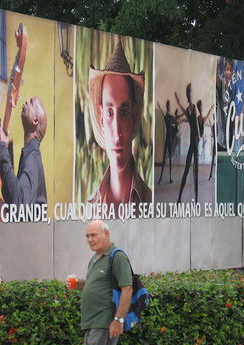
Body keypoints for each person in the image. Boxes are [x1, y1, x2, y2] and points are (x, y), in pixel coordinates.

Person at [88, 36, 151, 206]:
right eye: (109, 113)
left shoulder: (151, 202)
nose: (117, 133)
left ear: (134, 115)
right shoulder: (90, 207)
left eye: (123, 112)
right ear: (100, 116)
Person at [69, 220, 133, 345]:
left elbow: (127, 289)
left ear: (106, 233)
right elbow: (98, 285)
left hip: (103, 323)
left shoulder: (117, 257)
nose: (89, 239)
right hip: (91, 323)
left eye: (93, 235)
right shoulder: (95, 258)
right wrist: (79, 284)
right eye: (87, 236)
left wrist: (118, 320)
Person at [0, 96, 48, 204]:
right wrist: (1, 147)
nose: (26, 101)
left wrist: (3, 148)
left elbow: (18, 200)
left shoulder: (32, 157)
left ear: (35, 120)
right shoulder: (31, 154)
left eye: (31, 103)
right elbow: (16, 198)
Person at [174, 84, 202, 203]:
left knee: (195, 170)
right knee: (187, 170)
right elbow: (191, 119)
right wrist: (179, 102)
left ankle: (195, 199)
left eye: (191, 92)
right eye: (190, 92)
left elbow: (194, 120)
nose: (191, 94)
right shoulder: (190, 108)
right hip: (193, 142)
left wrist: (199, 134)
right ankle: (179, 198)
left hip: (195, 141)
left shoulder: (193, 107)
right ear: (188, 94)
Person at [157, 100, 179, 184]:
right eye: (168, 105)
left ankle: (166, 177)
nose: (169, 107)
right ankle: (166, 177)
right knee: (167, 159)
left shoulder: (167, 116)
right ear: (168, 107)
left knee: (166, 159)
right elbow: (175, 120)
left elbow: (173, 119)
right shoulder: (168, 116)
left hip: (167, 139)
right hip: (168, 140)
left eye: (168, 105)